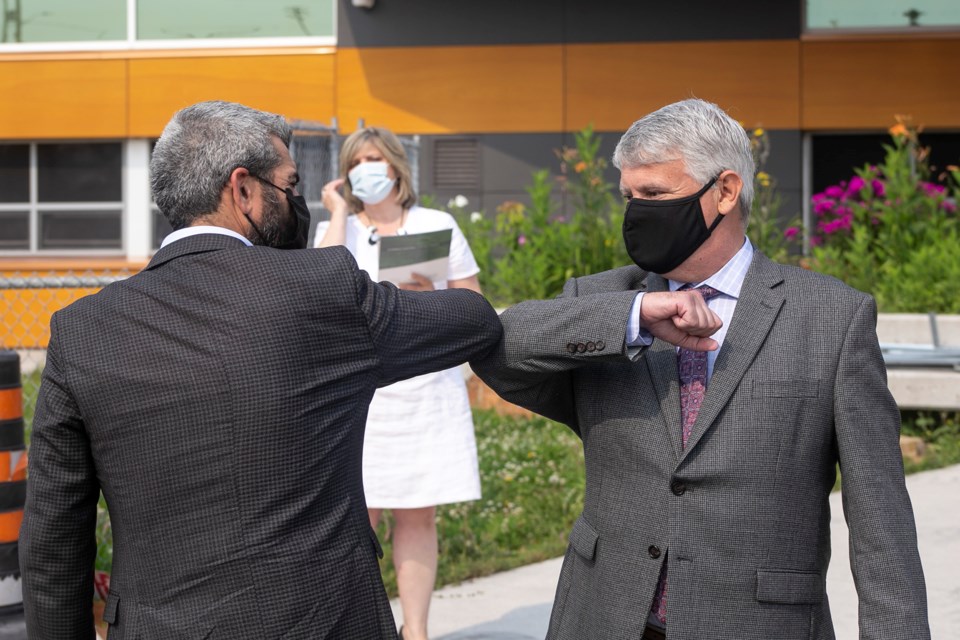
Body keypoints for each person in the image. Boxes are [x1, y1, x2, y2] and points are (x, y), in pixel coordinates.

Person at [19, 101, 501, 640]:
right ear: (243, 190)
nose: (296, 202)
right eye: (289, 186)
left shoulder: (83, 330)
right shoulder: (319, 289)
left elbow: (52, 543)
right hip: (325, 621)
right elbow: (473, 320)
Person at [471, 98, 929, 640]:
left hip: (757, 623)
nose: (636, 211)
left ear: (725, 191)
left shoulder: (832, 316)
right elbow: (497, 348)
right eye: (629, 196)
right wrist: (635, 315)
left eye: (656, 194)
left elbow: (881, 519)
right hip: (607, 619)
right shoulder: (602, 303)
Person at [315, 127, 482, 640]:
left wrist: (430, 294)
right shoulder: (334, 229)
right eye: (357, 160)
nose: (368, 167)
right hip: (355, 393)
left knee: (416, 514)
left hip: (424, 389)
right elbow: (315, 293)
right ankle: (361, 627)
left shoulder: (436, 224)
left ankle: (416, 631)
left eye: (376, 158)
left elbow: (472, 304)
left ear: (395, 166)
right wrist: (339, 214)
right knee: (353, 516)